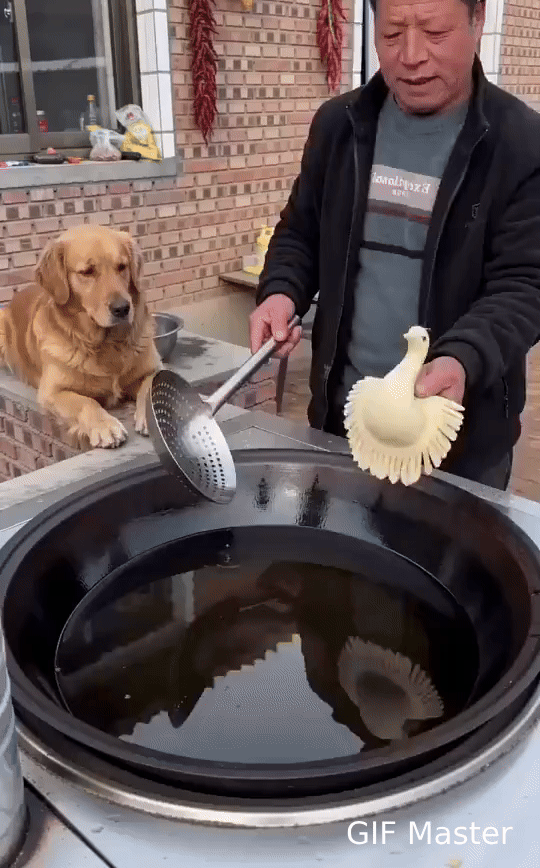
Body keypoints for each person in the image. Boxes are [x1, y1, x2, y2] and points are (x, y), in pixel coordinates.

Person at [249, 0, 540, 491]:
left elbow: (526, 284)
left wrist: (462, 358)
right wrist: (281, 291)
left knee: (447, 568)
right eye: (391, 33)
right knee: (338, 561)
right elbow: (300, 232)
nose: (411, 56)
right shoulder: (339, 127)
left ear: (478, 20)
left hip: (458, 441)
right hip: (341, 424)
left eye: (434, 32)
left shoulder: (520, 145)